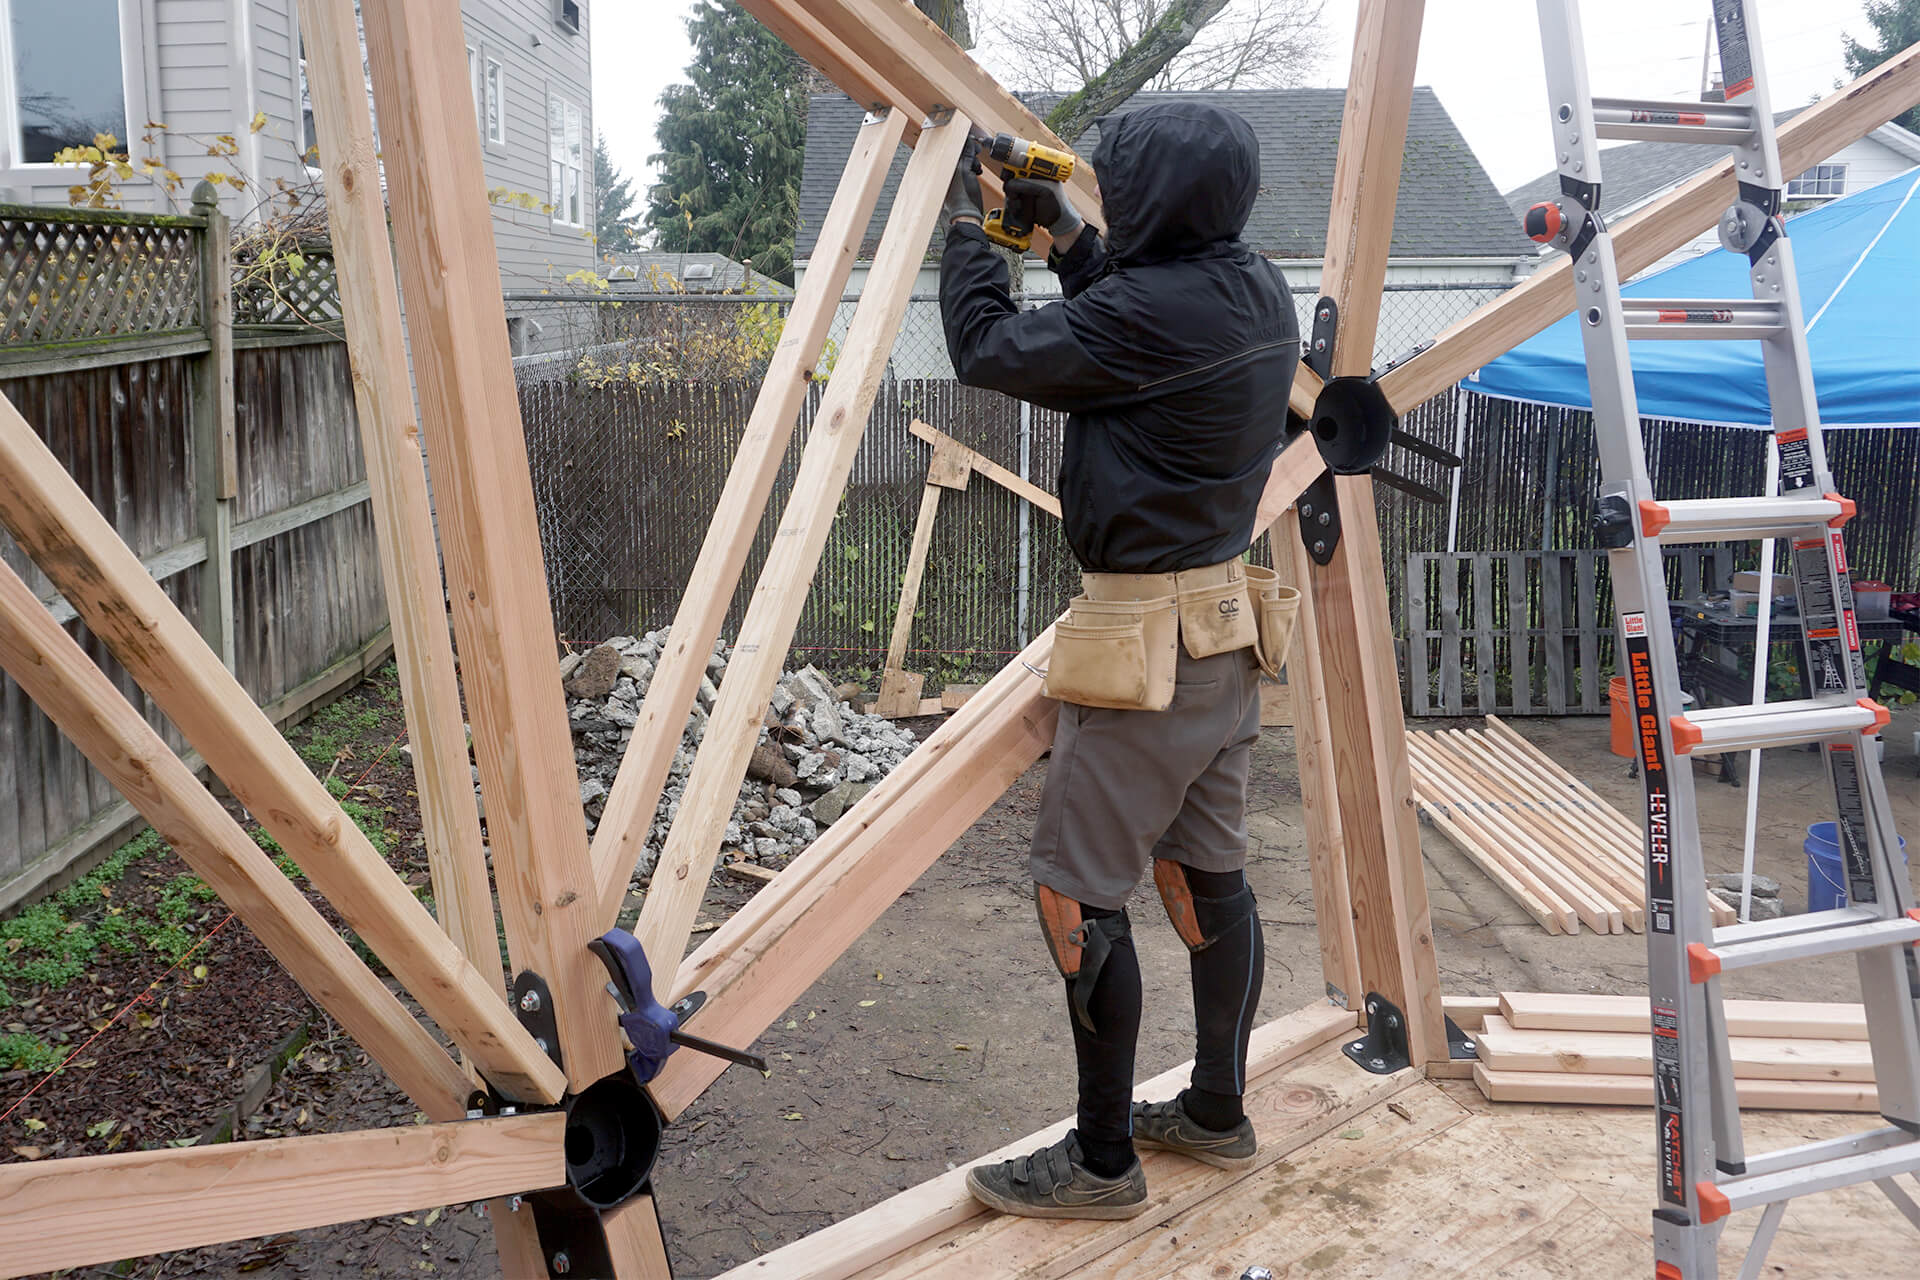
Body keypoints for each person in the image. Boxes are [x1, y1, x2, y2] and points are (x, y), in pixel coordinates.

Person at [937, 102, 1298, 1220]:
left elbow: (987, 349)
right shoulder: (1254, 286)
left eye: (1117, 190)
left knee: (1076, 896)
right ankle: (1217, 1110)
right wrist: (1072, 242)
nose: (1111, 201)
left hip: (1146, 654)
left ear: (1154, 198)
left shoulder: (1152, 311)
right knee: (1205, 878)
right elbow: (1141, 322)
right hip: (1229, 636)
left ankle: (1100, 1163)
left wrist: (974, 232)